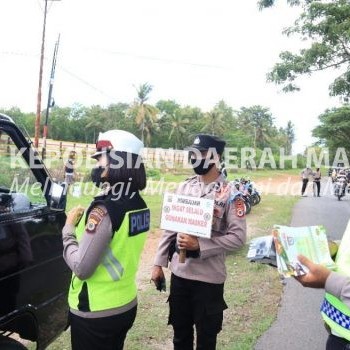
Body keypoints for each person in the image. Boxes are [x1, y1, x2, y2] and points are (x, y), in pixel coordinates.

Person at [151, 134, 247, 350]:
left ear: (216, 156)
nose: (195, 158)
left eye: (201, 154)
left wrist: (201, 246)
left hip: (209, 280)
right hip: (180, 276)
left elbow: (238, 238)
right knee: (180, 335)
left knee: (206, 338)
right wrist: (158, 263)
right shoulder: (184, 188)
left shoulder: (231, 194)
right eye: (193, 154)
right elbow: (170, 228)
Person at [62, 130, 150, 350]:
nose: (98, 162)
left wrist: (68, 231)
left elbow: (81, 267)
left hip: (96, 311)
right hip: (125, 304)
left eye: (102, 156)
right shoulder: (140, 205)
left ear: (119, 161)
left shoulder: (105, 210)